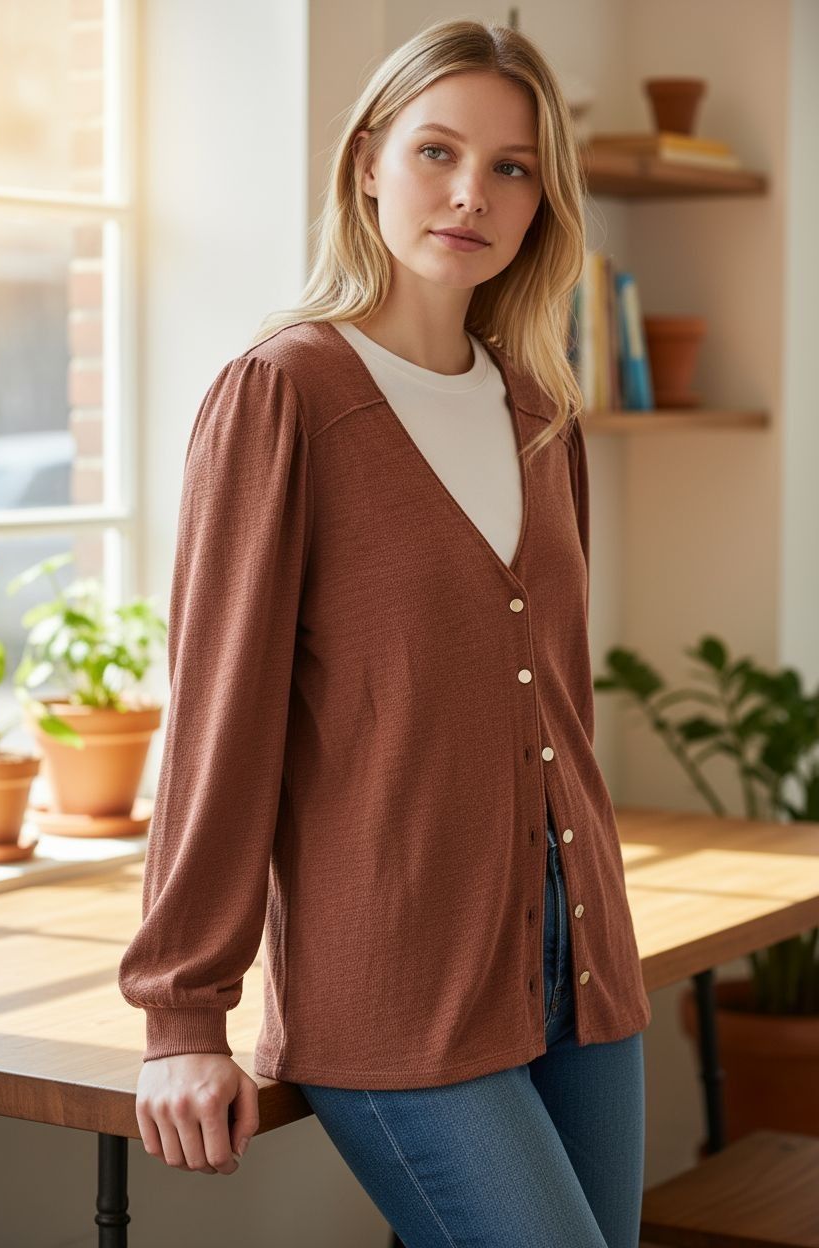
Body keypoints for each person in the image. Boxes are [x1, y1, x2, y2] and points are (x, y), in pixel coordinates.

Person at [118, 17, 651, 1247]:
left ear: (541, 202)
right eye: (436, 152)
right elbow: (220, 722)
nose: (471, 195)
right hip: (399, 982)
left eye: (512, 168)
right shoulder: (283, 393)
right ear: (367, 161)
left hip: (584, 967)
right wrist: (184, 1014)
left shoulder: (543, 412)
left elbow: (556, 702)